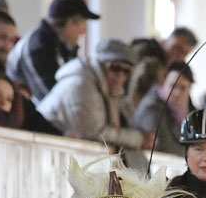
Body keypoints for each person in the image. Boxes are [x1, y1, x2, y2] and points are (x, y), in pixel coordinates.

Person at [37, 38, 150, 166]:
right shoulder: (82, 84)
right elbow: (94, 132)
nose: (120, 76)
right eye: (115, 68)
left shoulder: (104, 86)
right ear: (101, 64)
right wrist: (138, 138)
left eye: (126, 71)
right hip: (46, 155)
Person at [6, 0, 99, 104]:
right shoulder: (37, 48)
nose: (83, 31)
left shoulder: (62, 46)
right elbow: (51, 98)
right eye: (82, 23)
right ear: (70, 22)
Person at [132, 61, 193, 158]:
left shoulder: (186, 109)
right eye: (173, 86)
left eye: (183, 88)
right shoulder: (151, 108)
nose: (177, 93)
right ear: (163, 83)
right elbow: (163, 147)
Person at [128, 26, 198, 109]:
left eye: (184, 54)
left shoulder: (176, 66)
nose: (179, 55)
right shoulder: (145, 52)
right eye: (177, 48)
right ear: (167, 40)